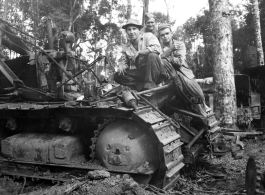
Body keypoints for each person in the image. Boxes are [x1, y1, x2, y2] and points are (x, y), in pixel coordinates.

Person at [158, 24, 208, 117]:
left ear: (171, 33)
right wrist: (169, 52)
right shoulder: (159, 47)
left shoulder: (179, 44)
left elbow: (179, 62)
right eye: (162, 35)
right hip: (168, 76)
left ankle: (204, 117)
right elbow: (158, 60)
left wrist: (167, 56)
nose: (165, 36)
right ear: (160, 36)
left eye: (167, 33)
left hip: (184, 73)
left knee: (199, 95)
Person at [114, 18, 166, 91]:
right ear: (126, 32)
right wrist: (121, 65)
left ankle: (150, 85)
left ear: (139, 30)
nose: (132, 32)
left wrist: (139, 52)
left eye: (134, 29)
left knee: (152, 55)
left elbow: (157, 48)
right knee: (117, 75)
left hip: (155, 70)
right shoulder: (126, 47)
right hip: (142, 72)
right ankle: (141, 85)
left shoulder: (148, 36)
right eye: (129, 29)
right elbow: (124, 61)